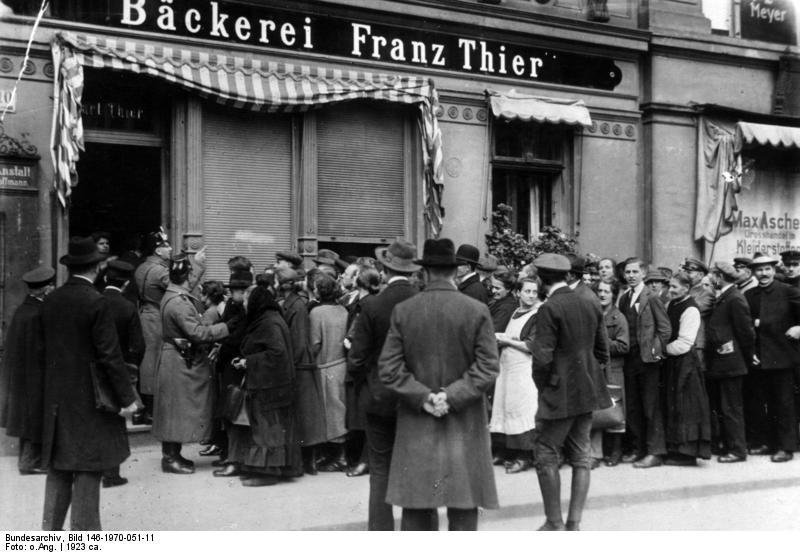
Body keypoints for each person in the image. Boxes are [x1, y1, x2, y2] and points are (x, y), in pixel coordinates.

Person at [379, 238, 499, 531]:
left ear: (424, 272)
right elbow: (488, 366)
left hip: (418, 420)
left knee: (417, 507)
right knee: (463, 505)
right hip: (464, 420)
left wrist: (424, 397)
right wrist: (451, 396)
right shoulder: (476, 310)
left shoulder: (404, 311)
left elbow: (389, 368)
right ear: (455, 271)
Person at [40, 237, 140, 530]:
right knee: (88, 468)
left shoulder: (51, 300)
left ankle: (48, 535)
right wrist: (127, 399)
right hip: (90, 400)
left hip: (57, 397)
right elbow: (110, 356)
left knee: (59, 466)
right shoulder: (96, 302)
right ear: (97, 268)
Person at [530, 253, 610, 531]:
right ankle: (574, 523)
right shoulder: (589, 301)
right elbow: (602, 351)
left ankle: (554, 523)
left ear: (541, 280)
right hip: (587, 388)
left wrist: (545, 388)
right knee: (581, 455)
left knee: (545, 452)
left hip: (559, 391)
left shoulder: (549, 308)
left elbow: (541, 359)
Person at [348, 239, 421, 530]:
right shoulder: (422, 302)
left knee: (380, 470)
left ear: (385, 270)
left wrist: (365, 383)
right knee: (415, 470)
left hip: (378, 397)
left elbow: (356, 358)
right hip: (415, 398)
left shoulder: (373, 305)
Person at [152, 255, 231, 474]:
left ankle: (173, 455)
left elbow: (190, 283)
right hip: (179, 360)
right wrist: (226, 327)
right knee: (174, 410)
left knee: (173, 408)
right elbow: (197, 333)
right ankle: (170, 458)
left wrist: (197, 264)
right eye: (191, 275)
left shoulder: (173, 293)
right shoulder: (179, 303)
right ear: (186, 277)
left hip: (174, 357)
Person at [220, 282, 303, 486]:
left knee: (265, 430)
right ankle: (262, 468)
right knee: (263, 429)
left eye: (247, 300)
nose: (244, 304)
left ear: (256, 301)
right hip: (267, 383)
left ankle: (268, 472)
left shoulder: (269, 323)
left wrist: (248, 362)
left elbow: (277, 354)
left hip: (269, 386)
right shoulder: (266, 319)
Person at [743, 253, 800, 462]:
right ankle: (768, 442)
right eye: (759, 270)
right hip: (759, 358)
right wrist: (751, 352)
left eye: (767, 269)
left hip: (782, 356)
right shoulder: (750, 295)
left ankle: (786, 447)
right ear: (753, 273)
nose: (763, 273)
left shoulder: (788, 291)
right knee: (762, 402)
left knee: (784, 403)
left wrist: (799, 327)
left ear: (774, 270)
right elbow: (746, 326)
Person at [0, 266, 55, 475]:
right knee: (35, 418)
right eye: (51, 285)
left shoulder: (24, 310)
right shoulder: (38, 313)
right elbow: (40, 349)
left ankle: (29, 461)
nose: (53, 288)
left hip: (22, 375)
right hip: (34, 375)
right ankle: (30, 462)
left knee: (28, 418)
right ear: (45, 289)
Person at [619, 258, 671, 468]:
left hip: (648, 361)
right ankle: (638, 449)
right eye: (628, 272)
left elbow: (665, 329)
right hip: (630, 360)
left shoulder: (652, 297)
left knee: (651, 406)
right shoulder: (624, 298)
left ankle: (655, 452)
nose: (631, 276)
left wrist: (654, 352)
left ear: (643, 274)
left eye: (634, 272)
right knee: (633, 406)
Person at [277, 267, 327, 475]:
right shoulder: (293, 304)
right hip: (300, 365)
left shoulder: (296, 306)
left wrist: (290, 367)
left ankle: (309, 460)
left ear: (284, 285)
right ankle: (307, 460)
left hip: (300, 367)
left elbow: (298, 341)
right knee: (304, 415)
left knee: (305, 415)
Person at [100, 259, 145, 488]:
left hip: (93, 371)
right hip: (120, 370)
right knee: (116, 421)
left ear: (105, 278)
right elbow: (138, 345)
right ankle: (111, 473)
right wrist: (132, 368)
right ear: (126, 284)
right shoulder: (128, 307)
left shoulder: (94, 301)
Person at [490, 277, 541, 474]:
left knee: (522, 410)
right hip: (507, 367)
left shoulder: (537, 315)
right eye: (527, 291)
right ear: (518, 293)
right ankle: (506, 451)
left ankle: (524, 455)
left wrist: (507, 341)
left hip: (523, 369)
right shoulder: (515, 312)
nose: (531, 295)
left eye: (534, 292)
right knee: (505, 407)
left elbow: (532, 345)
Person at [707, 262, 755, 463]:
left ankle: (737, 450)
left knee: (731, 408)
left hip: (731, 362)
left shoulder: (734, 298)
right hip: (723, 362)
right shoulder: (726, 296)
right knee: (725, 407)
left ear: (719, 277)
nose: (711, 279)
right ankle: (729, 445)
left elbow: (746, 332)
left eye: (713, 275)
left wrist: (746, 357)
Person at [662, 272, 712, 466]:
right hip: (673, 362)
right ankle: (675, 449)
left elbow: (684, 343)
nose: (671, 290)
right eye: (670, 286)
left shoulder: (691, 310)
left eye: (675, 287)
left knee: (686, 407)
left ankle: (688, 454)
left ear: (686, 288)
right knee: (674, 404)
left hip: (685, 364)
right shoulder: (672, 304)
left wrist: (662, 350)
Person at [309, 274, 350, 471]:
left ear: (320, 291)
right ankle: (338, 455)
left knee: (330, 414)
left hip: (325, 367)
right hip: (342, 365)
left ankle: (338, 457)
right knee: (340, 410)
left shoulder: (316, 313)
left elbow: (315, 344)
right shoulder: (343, 310)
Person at [589, 279, 629, 467]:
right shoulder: (593, 315)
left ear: (613, 294)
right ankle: (595, 453)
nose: (602, 294)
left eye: (606, 291)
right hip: (596, 368)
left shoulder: (618, 318)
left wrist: (601, 342)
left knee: (615, 409)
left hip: (613, 369)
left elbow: (623, 346)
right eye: (600, 291)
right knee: (596, 410)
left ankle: (616, 450)